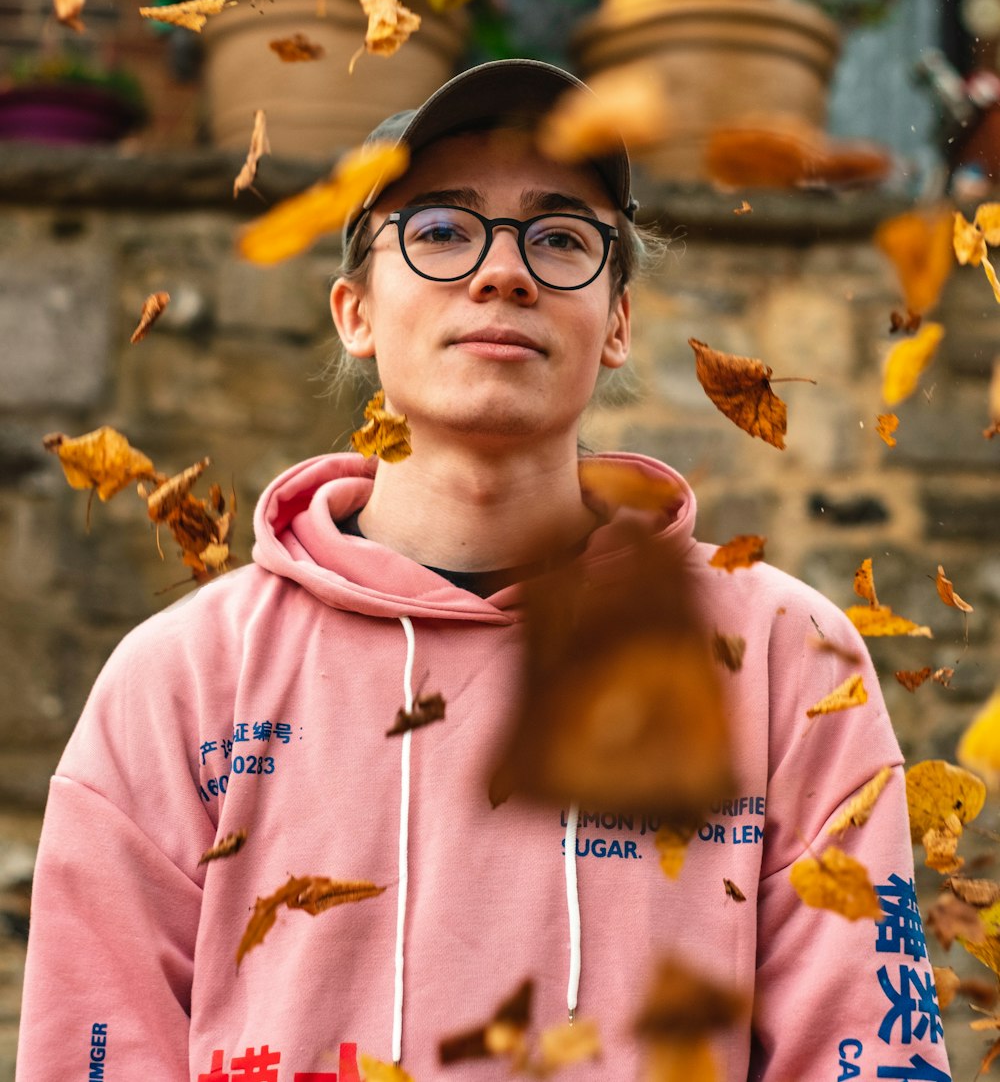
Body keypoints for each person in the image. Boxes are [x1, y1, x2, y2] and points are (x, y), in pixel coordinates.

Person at [17, 58, 950, 1082]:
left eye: (558, 237)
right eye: (441, 230)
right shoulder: (185, 679)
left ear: (618, 324)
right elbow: (99, 1049)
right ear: (355, 312)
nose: (501, 271)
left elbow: (857, 1052)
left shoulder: (783, 661)